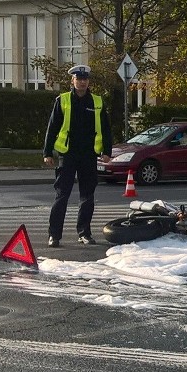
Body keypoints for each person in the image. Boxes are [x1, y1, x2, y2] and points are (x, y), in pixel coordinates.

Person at [43, 64, 113, 247]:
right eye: (78, 79)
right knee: (62, 195)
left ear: (88, 81)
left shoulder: (97, 102)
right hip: (67, 154)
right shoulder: (63, 100)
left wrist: (107, 151)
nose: (82, 82)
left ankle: (84, 233)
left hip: (89, 154)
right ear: (72, 81)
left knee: (87, 196)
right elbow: (53, 127)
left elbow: (106, 129)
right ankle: (54, 235)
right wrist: (47, 152)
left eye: (85, 79)